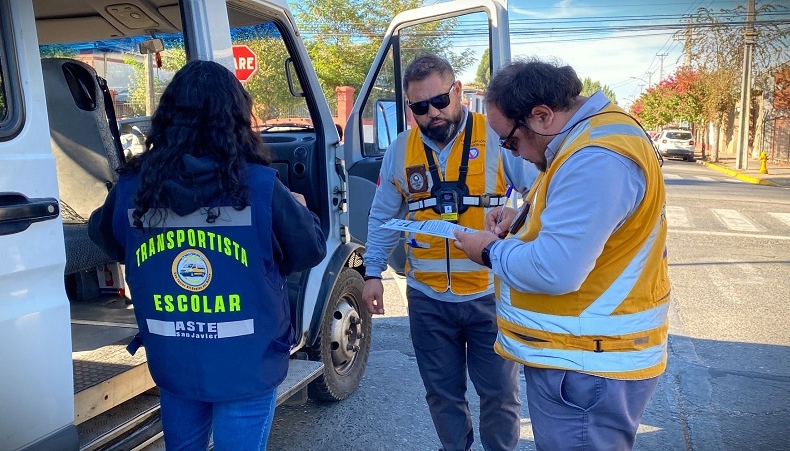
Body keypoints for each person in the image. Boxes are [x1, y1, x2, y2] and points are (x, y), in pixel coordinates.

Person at [88, 60, 326, 450]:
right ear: (234, 116)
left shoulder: (132, 187)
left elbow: (108, 237)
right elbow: (308, 248)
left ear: (168, 118)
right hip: (245, 362)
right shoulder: (261, 185)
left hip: (174, 358)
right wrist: (297, 210)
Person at [453, 58, 670, 451]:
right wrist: (521, 218)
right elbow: (590, 227)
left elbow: (556, 270)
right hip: (581, 362)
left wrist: (488, 251)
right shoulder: (590, 140)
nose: (513, 155)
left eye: (510, 141)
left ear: (542, 116)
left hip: (587, 366)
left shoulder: (595, 157)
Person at [361, 54, 522, 451]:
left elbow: (541, 199)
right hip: (428, 299)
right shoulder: (402, 148)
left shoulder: (498, 137)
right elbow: (383, 214)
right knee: (441, 395)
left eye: (439, 101)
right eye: (419, 107)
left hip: (491, 295)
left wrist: (516, 214)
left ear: (458, 92)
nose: (432, 113)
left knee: (500, 396)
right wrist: (372, 273)